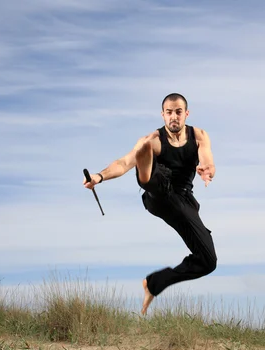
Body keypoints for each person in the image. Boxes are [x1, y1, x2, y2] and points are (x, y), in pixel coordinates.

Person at [83, 93, 217, 315]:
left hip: (184, 200)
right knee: (152, 168)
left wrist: (208, 169)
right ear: (163, 115)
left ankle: (154, 283)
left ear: (186, 114)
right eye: (169, 112)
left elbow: (207, 159)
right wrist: (99, 176)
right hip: (157, 196)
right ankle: (145, 170)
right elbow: (123, 163)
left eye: (178, 112)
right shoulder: (153, 139)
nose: (174, 116)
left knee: (208, 261)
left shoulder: (199, 136)